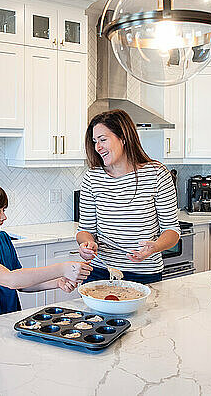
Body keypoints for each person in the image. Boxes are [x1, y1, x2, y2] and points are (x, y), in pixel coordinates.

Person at [0, 179, 92, 321]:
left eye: (3, 211)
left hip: (10, 319)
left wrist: (57, 282)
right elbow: (11, 280)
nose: (4, 217)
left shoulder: (3, 239)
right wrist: (62, 268)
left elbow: (21, 284)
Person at [76, 109, 181, 284]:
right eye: (95, 141)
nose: (97, 147)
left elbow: (172, 230)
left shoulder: (157, 174)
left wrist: (156, 247)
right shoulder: (92, 177)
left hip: (144, 274)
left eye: (103, 140)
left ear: (123, 138)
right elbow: (85, 230)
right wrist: (87, 244)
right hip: (100, 271)